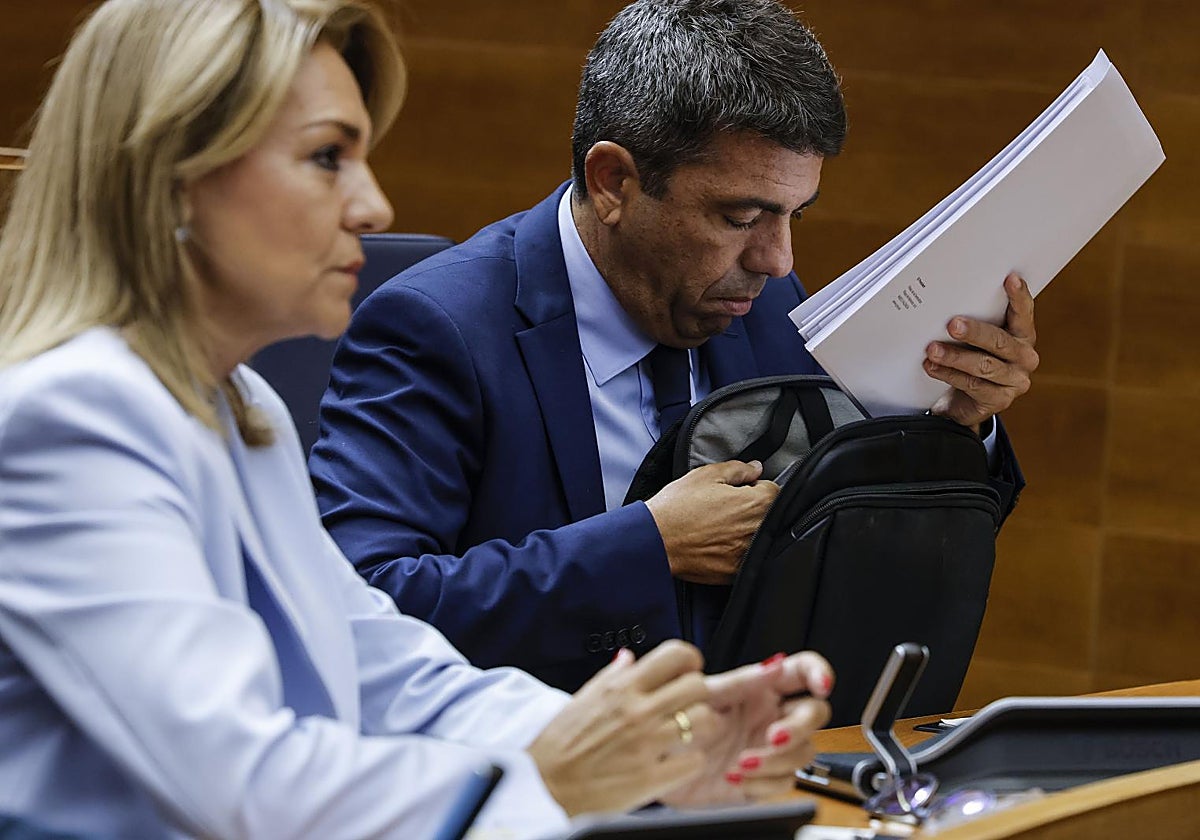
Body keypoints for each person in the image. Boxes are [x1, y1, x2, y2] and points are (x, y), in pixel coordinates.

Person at [0, 1, 838, 837]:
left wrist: (661, 742)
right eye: (327, 157)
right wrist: (550, 778)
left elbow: (382, 665)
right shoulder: (72, 418)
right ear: (172, 173)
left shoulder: (237, 402)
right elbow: (244, 785)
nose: (371, 205)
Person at [310, 0, 1037, 693]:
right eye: (741, 216)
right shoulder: (435, 329)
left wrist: (959, 425)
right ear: (614, 182)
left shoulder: (765, 303)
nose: (778, 259)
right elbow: (361, 606)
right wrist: (648, 548)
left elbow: (848, 534)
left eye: (793, 216)